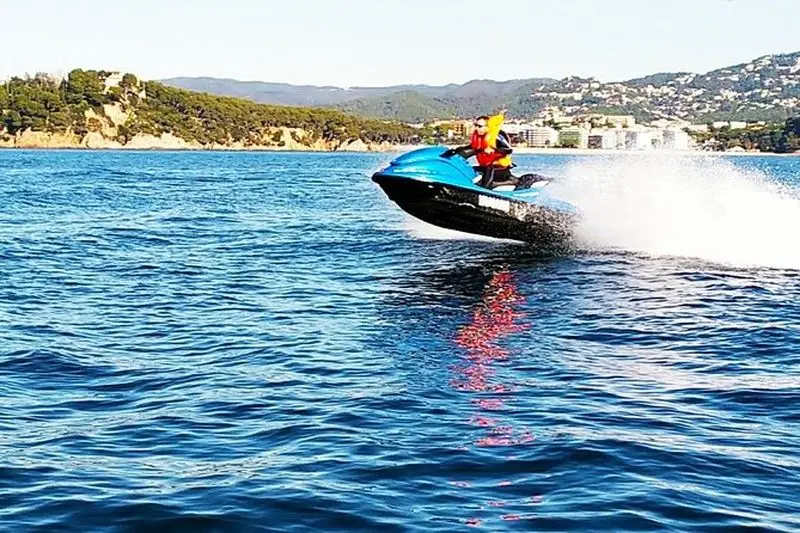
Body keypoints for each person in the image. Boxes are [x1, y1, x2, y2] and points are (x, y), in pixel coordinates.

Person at [443, 112, 515, 188]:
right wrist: (453, 152)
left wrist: (494, 149)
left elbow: (508, 150)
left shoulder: (496, 136)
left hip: (501, 168)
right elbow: (469, 149)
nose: (476, 128)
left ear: (488, 127)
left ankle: (487, 189)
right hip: (485, 168)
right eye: (476, 125)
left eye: (479, 126)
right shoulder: (479, 139)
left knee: (489, 170)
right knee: (468, 170)